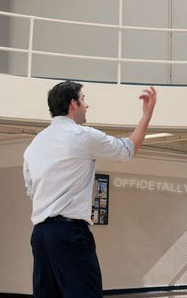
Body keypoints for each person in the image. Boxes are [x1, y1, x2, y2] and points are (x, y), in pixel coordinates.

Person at [23, 81, 157, 298]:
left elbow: (31, 190)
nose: (87, 105)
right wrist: (146, 115)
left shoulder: (34, 145)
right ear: (73, 104)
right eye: (84, 99)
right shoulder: (81, 136)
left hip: (40, 236)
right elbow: (127, 149)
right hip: (69, 234)